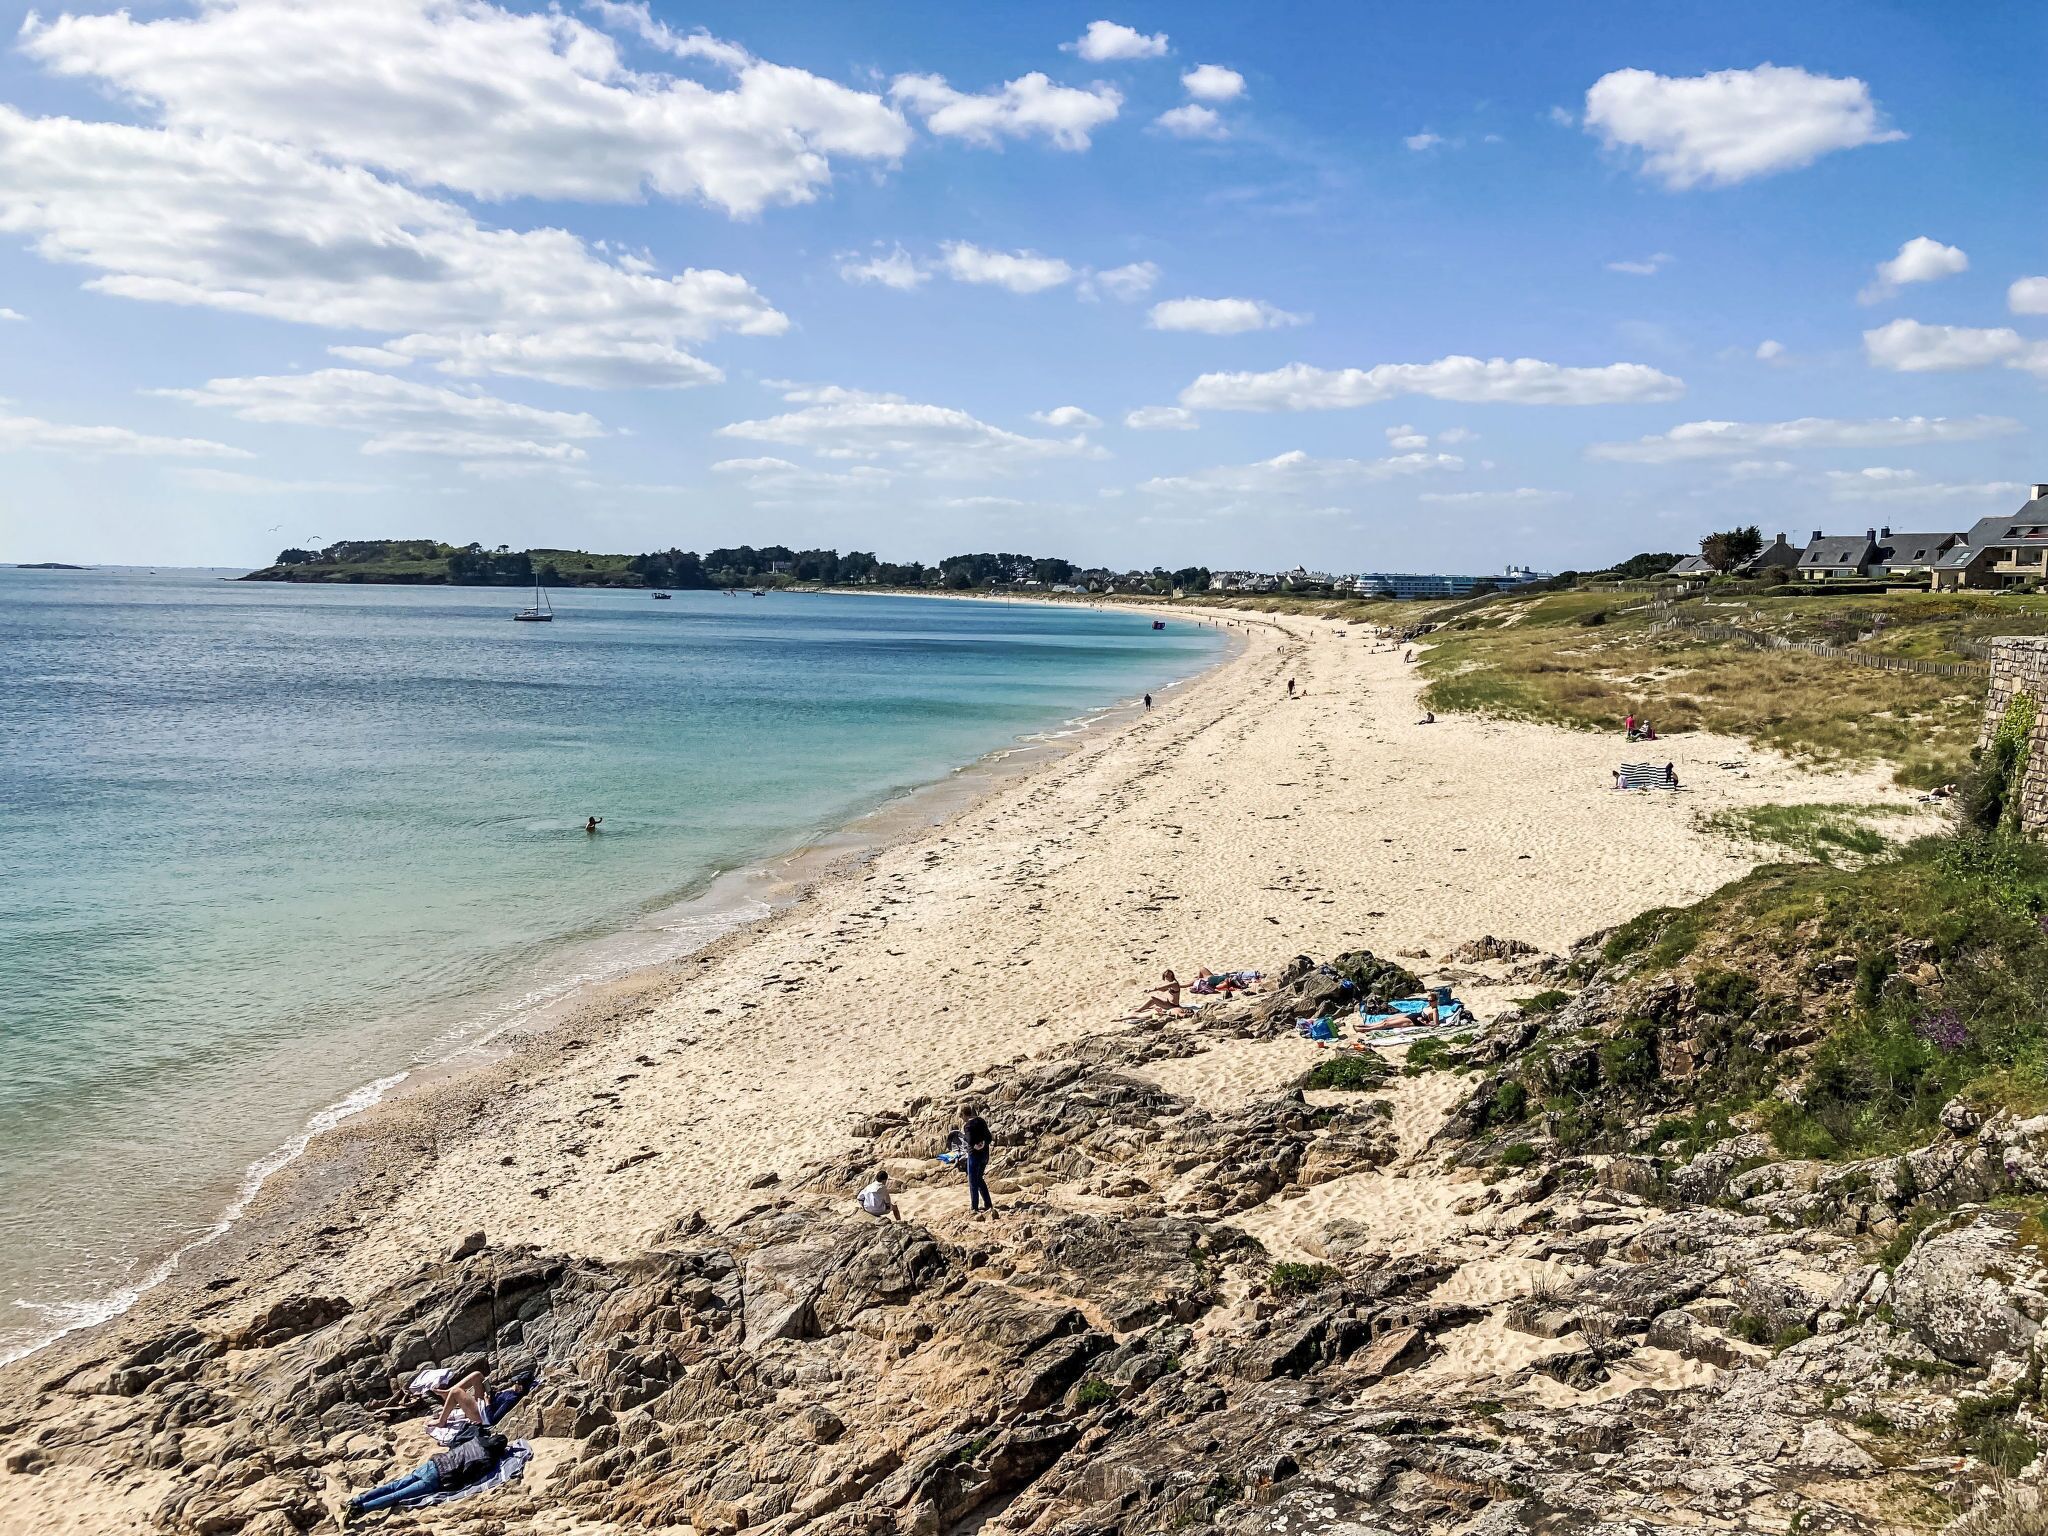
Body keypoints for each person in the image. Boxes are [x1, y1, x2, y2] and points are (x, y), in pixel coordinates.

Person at [345, 1432, 509, 1522]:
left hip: (433, 1464)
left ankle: (357, 1500)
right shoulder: (487, 1459)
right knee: (397, 1496)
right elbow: (471, 1476)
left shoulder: (477, 1439)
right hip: (439, 1477)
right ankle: (361, 1509)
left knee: (394, 1485)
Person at [428, 1364, 536, 1432]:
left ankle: (441, 1421)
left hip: (481, 1414)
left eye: (516, 1383)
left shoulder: (512, 1399)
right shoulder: (513, 1392)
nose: (514, 1384)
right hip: (485, 1403)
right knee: (477, 1375)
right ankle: (447, 1393)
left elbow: (492, 1419)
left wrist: (488, 1402)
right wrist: (491, 1393)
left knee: (456, 1392)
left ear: (520, 1388)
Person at [959, 1105, 995, 1216]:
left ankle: (974, 1207)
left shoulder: (968, 1126)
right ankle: (988, 1204)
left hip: (974, 1156)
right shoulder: (981, 1120)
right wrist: (983, 1143)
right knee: (979, 1179)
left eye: (960, 1116)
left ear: (964, 1114)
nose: (961, 1118)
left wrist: (964, 1136)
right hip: (985, 1155)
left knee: (973, 1181)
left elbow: (970, 1140)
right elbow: (989, 1137)